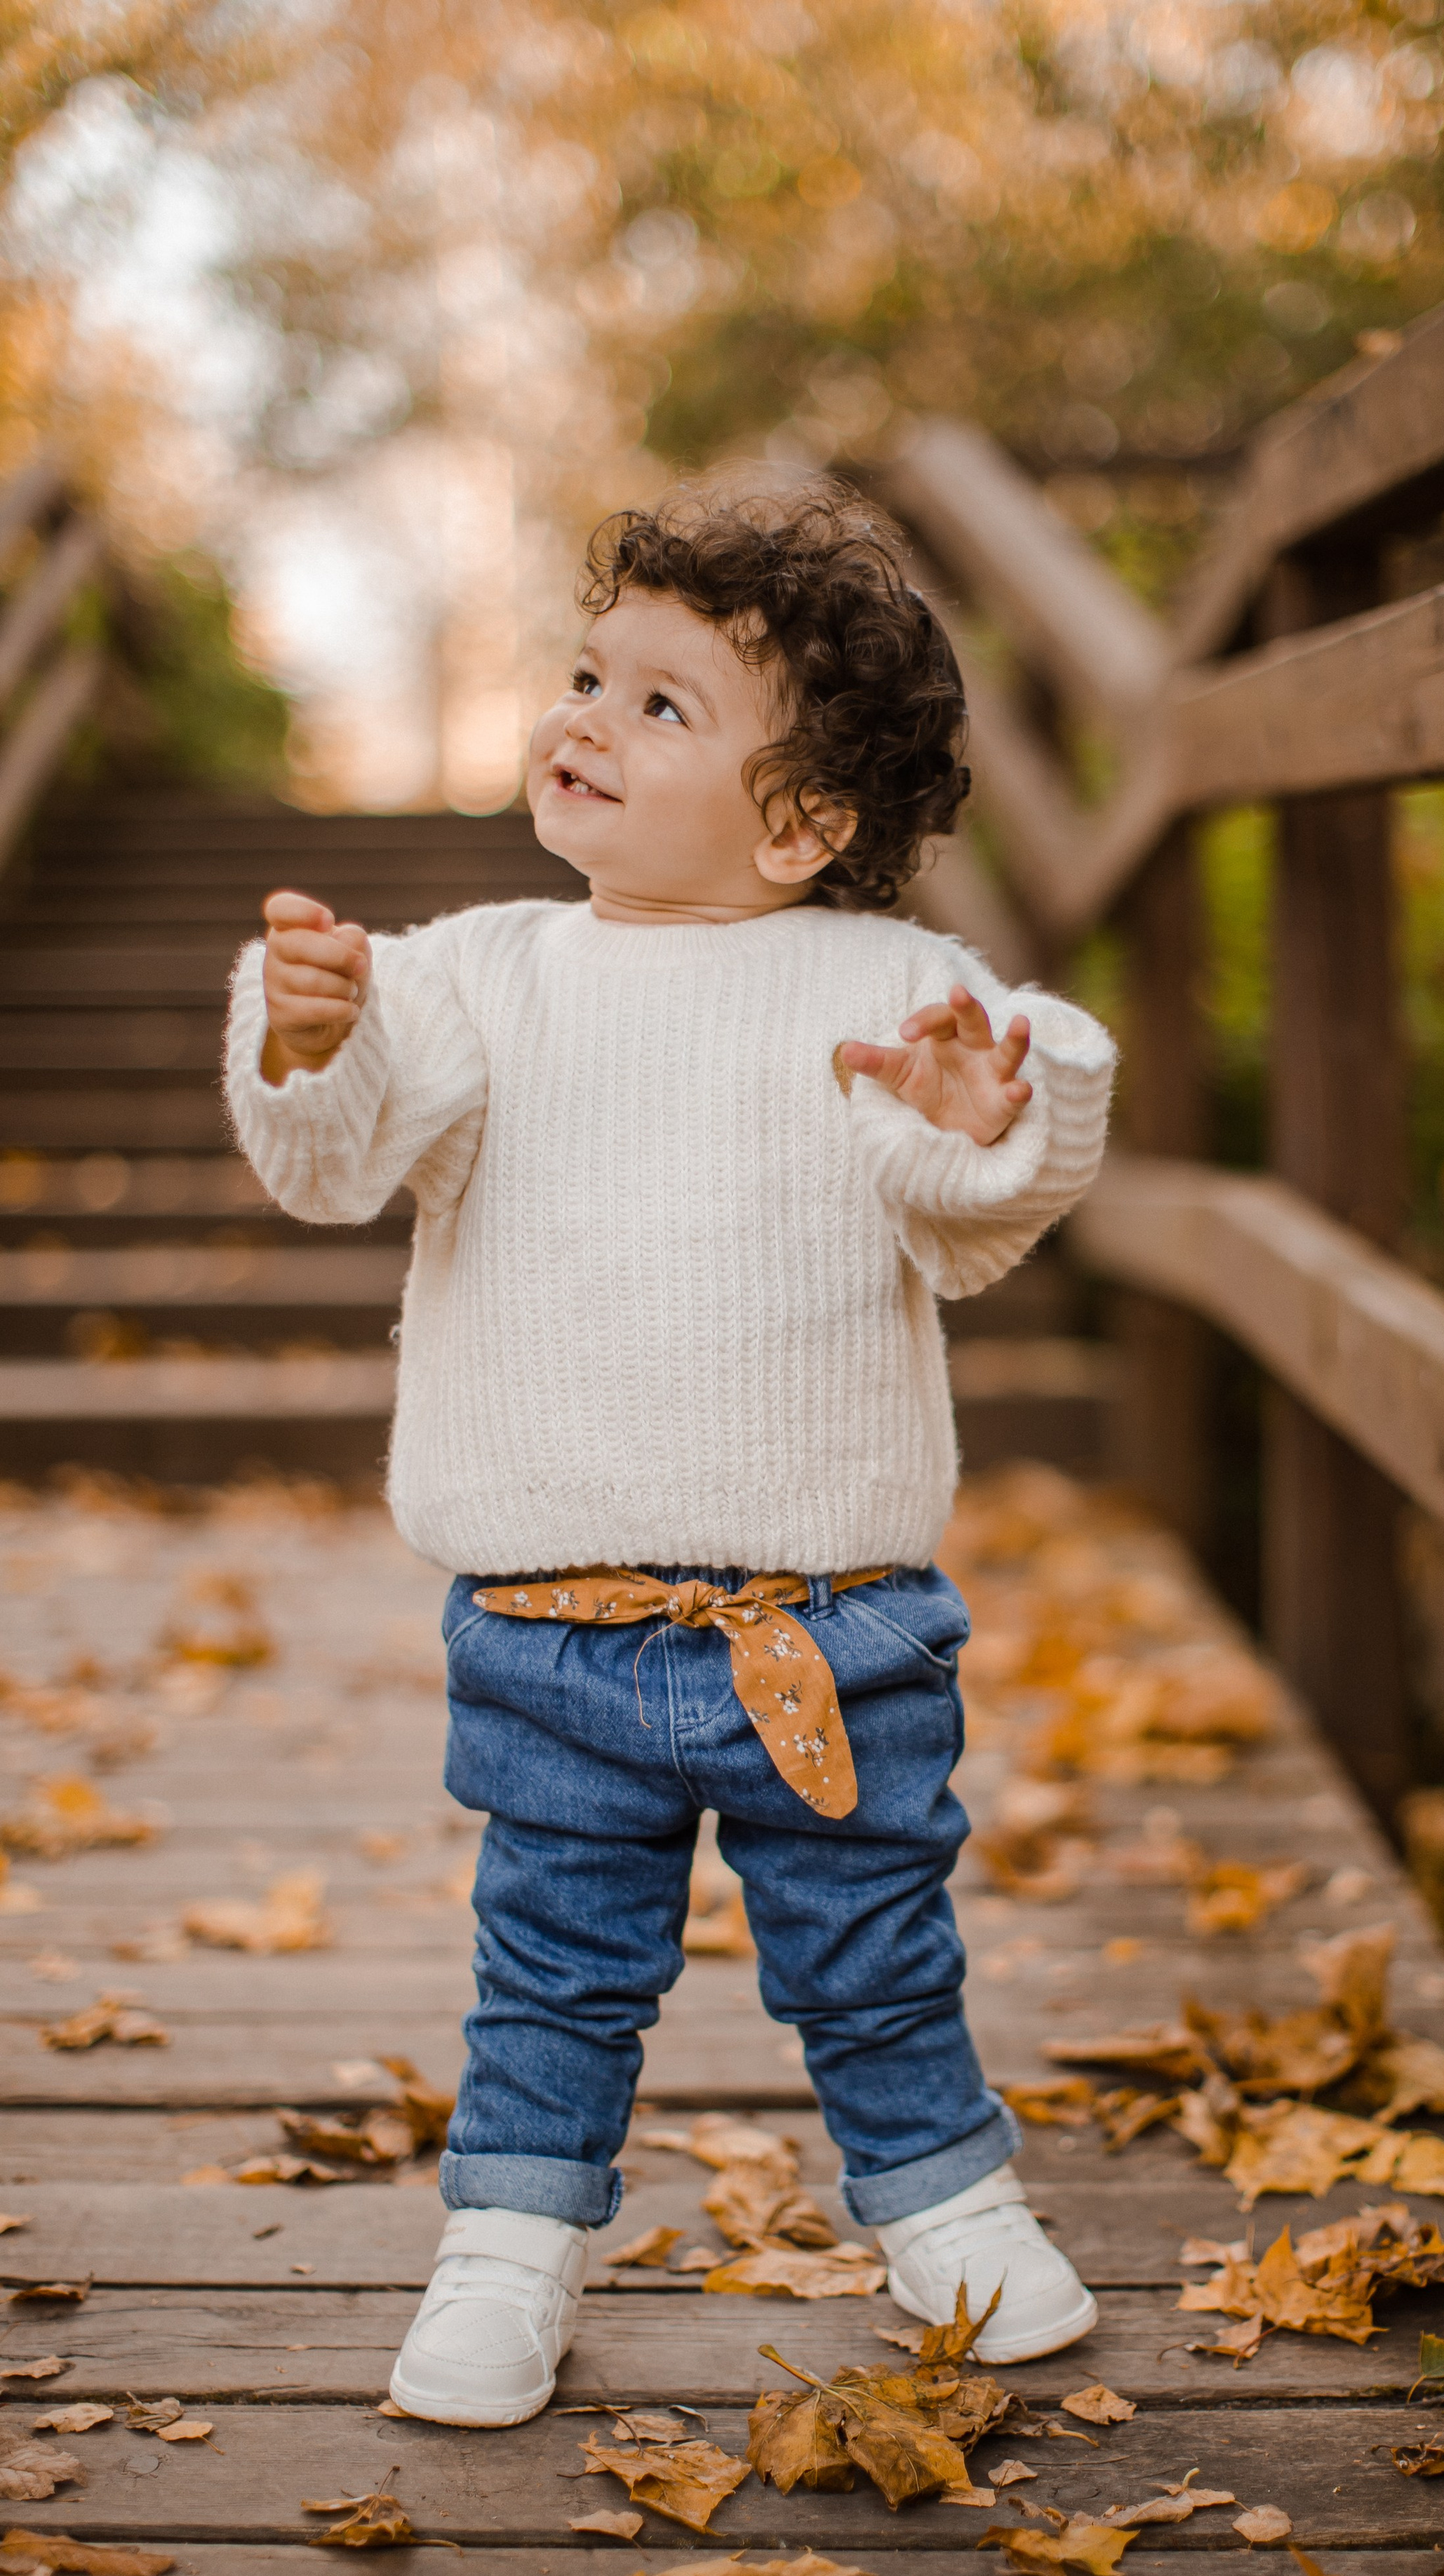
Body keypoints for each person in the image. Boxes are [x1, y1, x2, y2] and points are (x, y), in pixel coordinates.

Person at [226, 473, 1116, 2428]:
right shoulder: (473, 976)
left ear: (803, 826)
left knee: (874, 1944)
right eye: (584, 678)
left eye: (660, 707)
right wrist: (315, 1034)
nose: (585, 722)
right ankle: (509, 2248)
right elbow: (339, 1152)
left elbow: (973, 1206)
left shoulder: (880, 994)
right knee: (553, 1966)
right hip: (553, 1622)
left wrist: (992, 1106)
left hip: (832, 1623)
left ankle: (948, 2206)